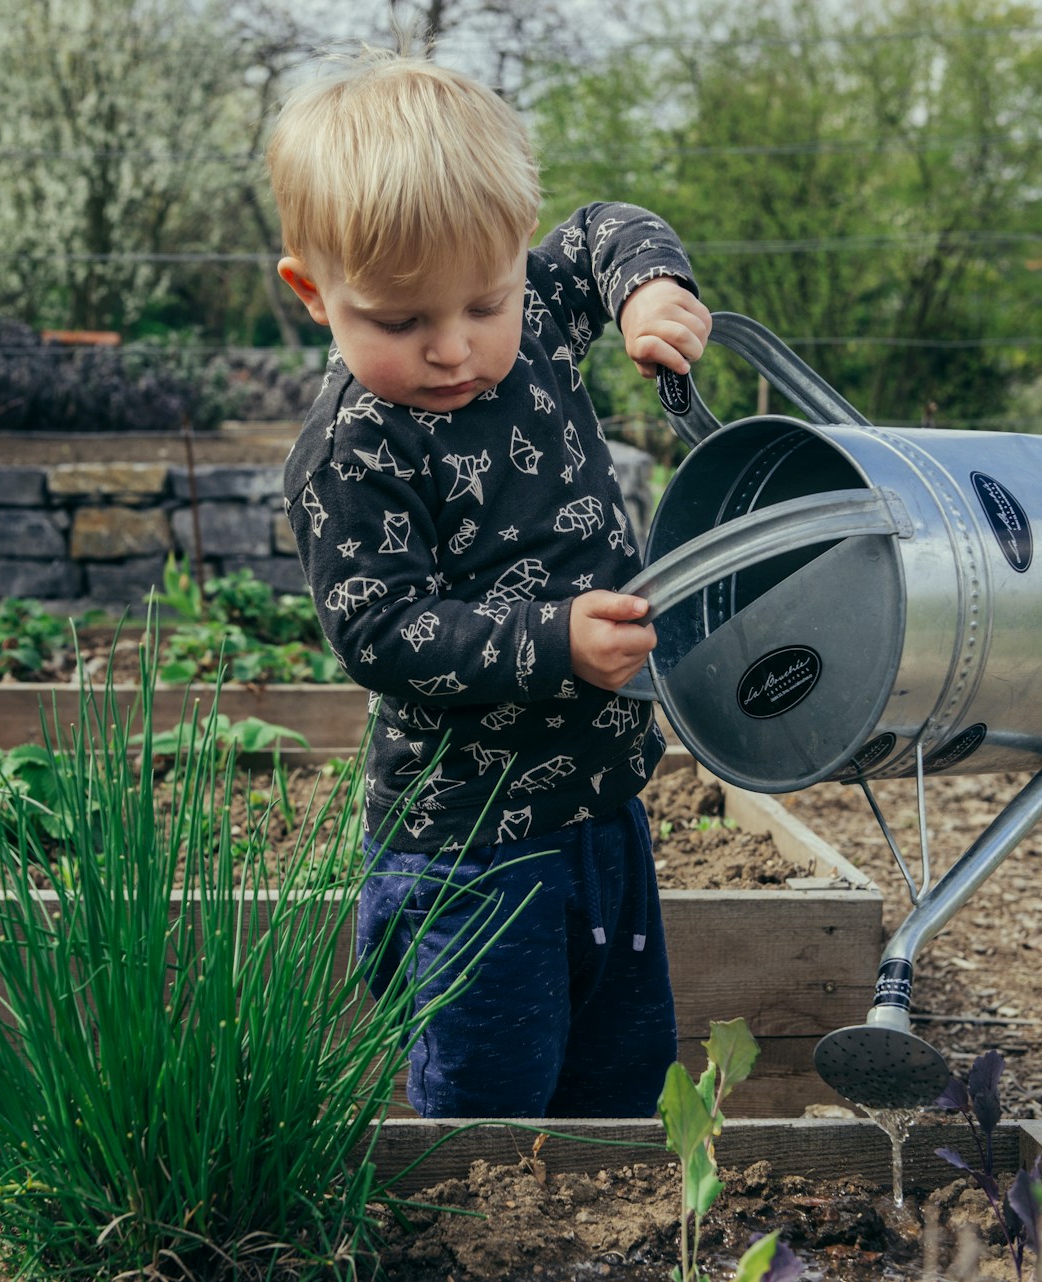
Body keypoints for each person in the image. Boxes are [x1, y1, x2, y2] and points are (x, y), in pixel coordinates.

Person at [268, 48, 712, 1119]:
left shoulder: (543, 315)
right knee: (492, 1106)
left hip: (605, 808)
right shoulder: (354, 450)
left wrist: (650, 289)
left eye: (484, 301)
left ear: (517, 257)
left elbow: (607, 225)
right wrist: (553, 639)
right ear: (312, 292)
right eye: (399, 320)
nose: (453, 348)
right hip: (470, 851)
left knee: (622, 1073)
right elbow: (382, 630)